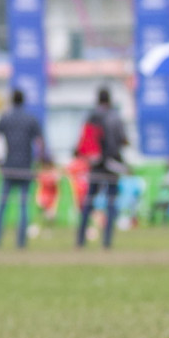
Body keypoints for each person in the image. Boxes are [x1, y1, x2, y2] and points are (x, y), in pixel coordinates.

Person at [0, 89, 44, 249]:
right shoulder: (30, 119)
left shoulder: (5, 118)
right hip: (26, 167)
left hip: (8, 167)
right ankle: (21, 242)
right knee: (24, 206)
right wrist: (37, 162)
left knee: (1, 205)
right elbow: (40, 143)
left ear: (12, 100)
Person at [75, 87, 127, 249]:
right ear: (109, 99)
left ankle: (80, 240)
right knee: (111, 203)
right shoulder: (115, 117)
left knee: (89, 202)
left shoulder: (92, 116)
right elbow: (123, 140)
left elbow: (84, 141)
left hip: (96, 164)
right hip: (112, 164)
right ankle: (107, 241)